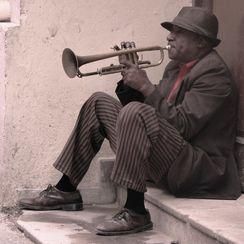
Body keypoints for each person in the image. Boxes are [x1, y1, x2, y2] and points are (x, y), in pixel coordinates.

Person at [18, 6, 241, 236]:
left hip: (198, 169)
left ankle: (135, 211)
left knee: (136, 111)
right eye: (171, 30)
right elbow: (157, 111)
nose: (169, 36)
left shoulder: (215, 75)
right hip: (172, 157)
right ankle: (66, 190)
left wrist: (145, 86)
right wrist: (130, 82)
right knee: (99, 102)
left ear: (201, 42)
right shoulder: (175, 66)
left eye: (179, 32)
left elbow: (182, 126)